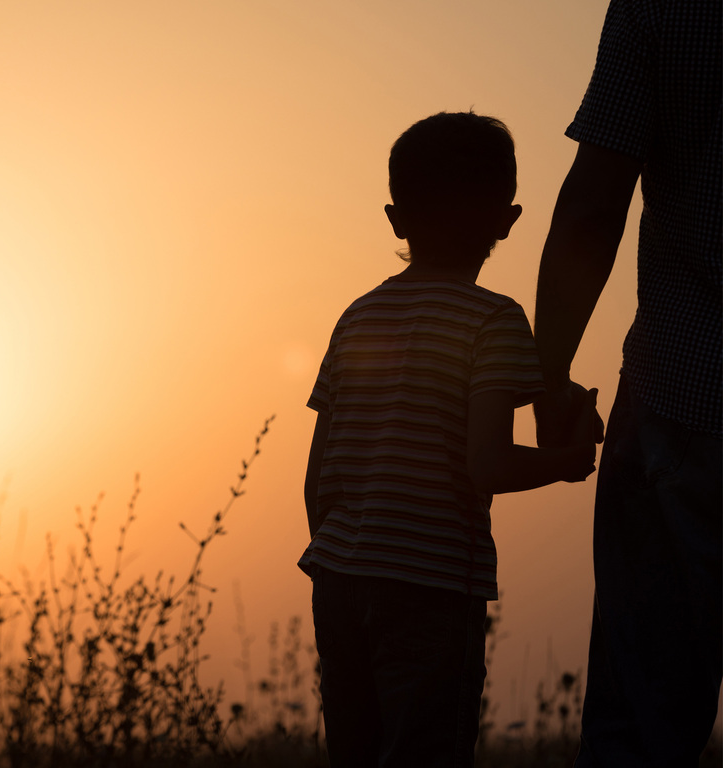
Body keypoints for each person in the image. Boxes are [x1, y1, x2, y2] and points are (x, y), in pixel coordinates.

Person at [298, 111, 598, 768]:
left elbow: (318, 476)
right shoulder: (493, 320)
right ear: (507, 219)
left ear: (396, 218)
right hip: (430, 589)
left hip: (339, 578)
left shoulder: (358, 317)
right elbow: (486, 464)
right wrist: (568, 462)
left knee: (357, 751)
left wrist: (342, 553)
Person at [533, 1, 722, 765]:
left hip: (681, 399)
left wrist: (548, 379)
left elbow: (595, 201)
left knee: (641, 731)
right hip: (675, 406)